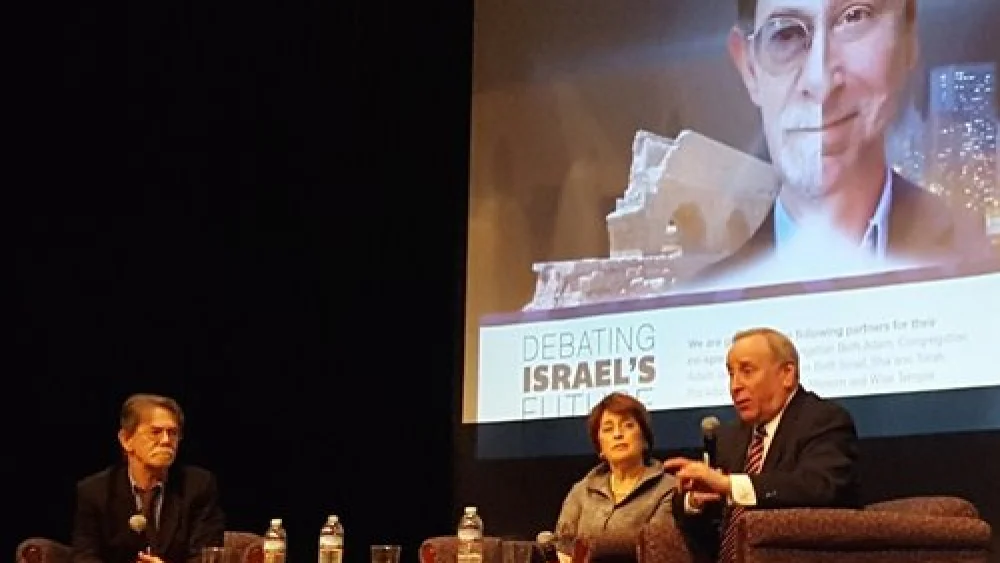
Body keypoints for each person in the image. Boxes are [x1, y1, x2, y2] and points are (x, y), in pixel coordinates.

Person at [692, 0, 992, 290]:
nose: (821, 84)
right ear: (750, 68)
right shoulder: (704, 303)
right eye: (786, 34)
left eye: (855, 16)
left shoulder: (984, 266)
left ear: (907, 36)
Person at [663, 327, 859, 562]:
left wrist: (729, 485)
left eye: (747, 371)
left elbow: (819, 488)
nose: (735, 386)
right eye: (731, 374)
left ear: (787, 374)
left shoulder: (823, 420)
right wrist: (693, 500)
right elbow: (708, 526)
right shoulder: (729, 438)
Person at [71, 394, 225, 563]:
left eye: (173, 433)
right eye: (155, 432)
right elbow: (84, 556)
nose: (166, 440)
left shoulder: (198, 486)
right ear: (126, 440)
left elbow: (207, 556)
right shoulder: (95, 492)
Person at [552, 392, 676, 562]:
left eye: (627, 425)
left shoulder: (668, 489)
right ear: (600, 447)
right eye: (608, 429)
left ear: (644, 439)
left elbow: (658, 549)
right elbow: (562, 548)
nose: (618, 434)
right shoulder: (581, 491)